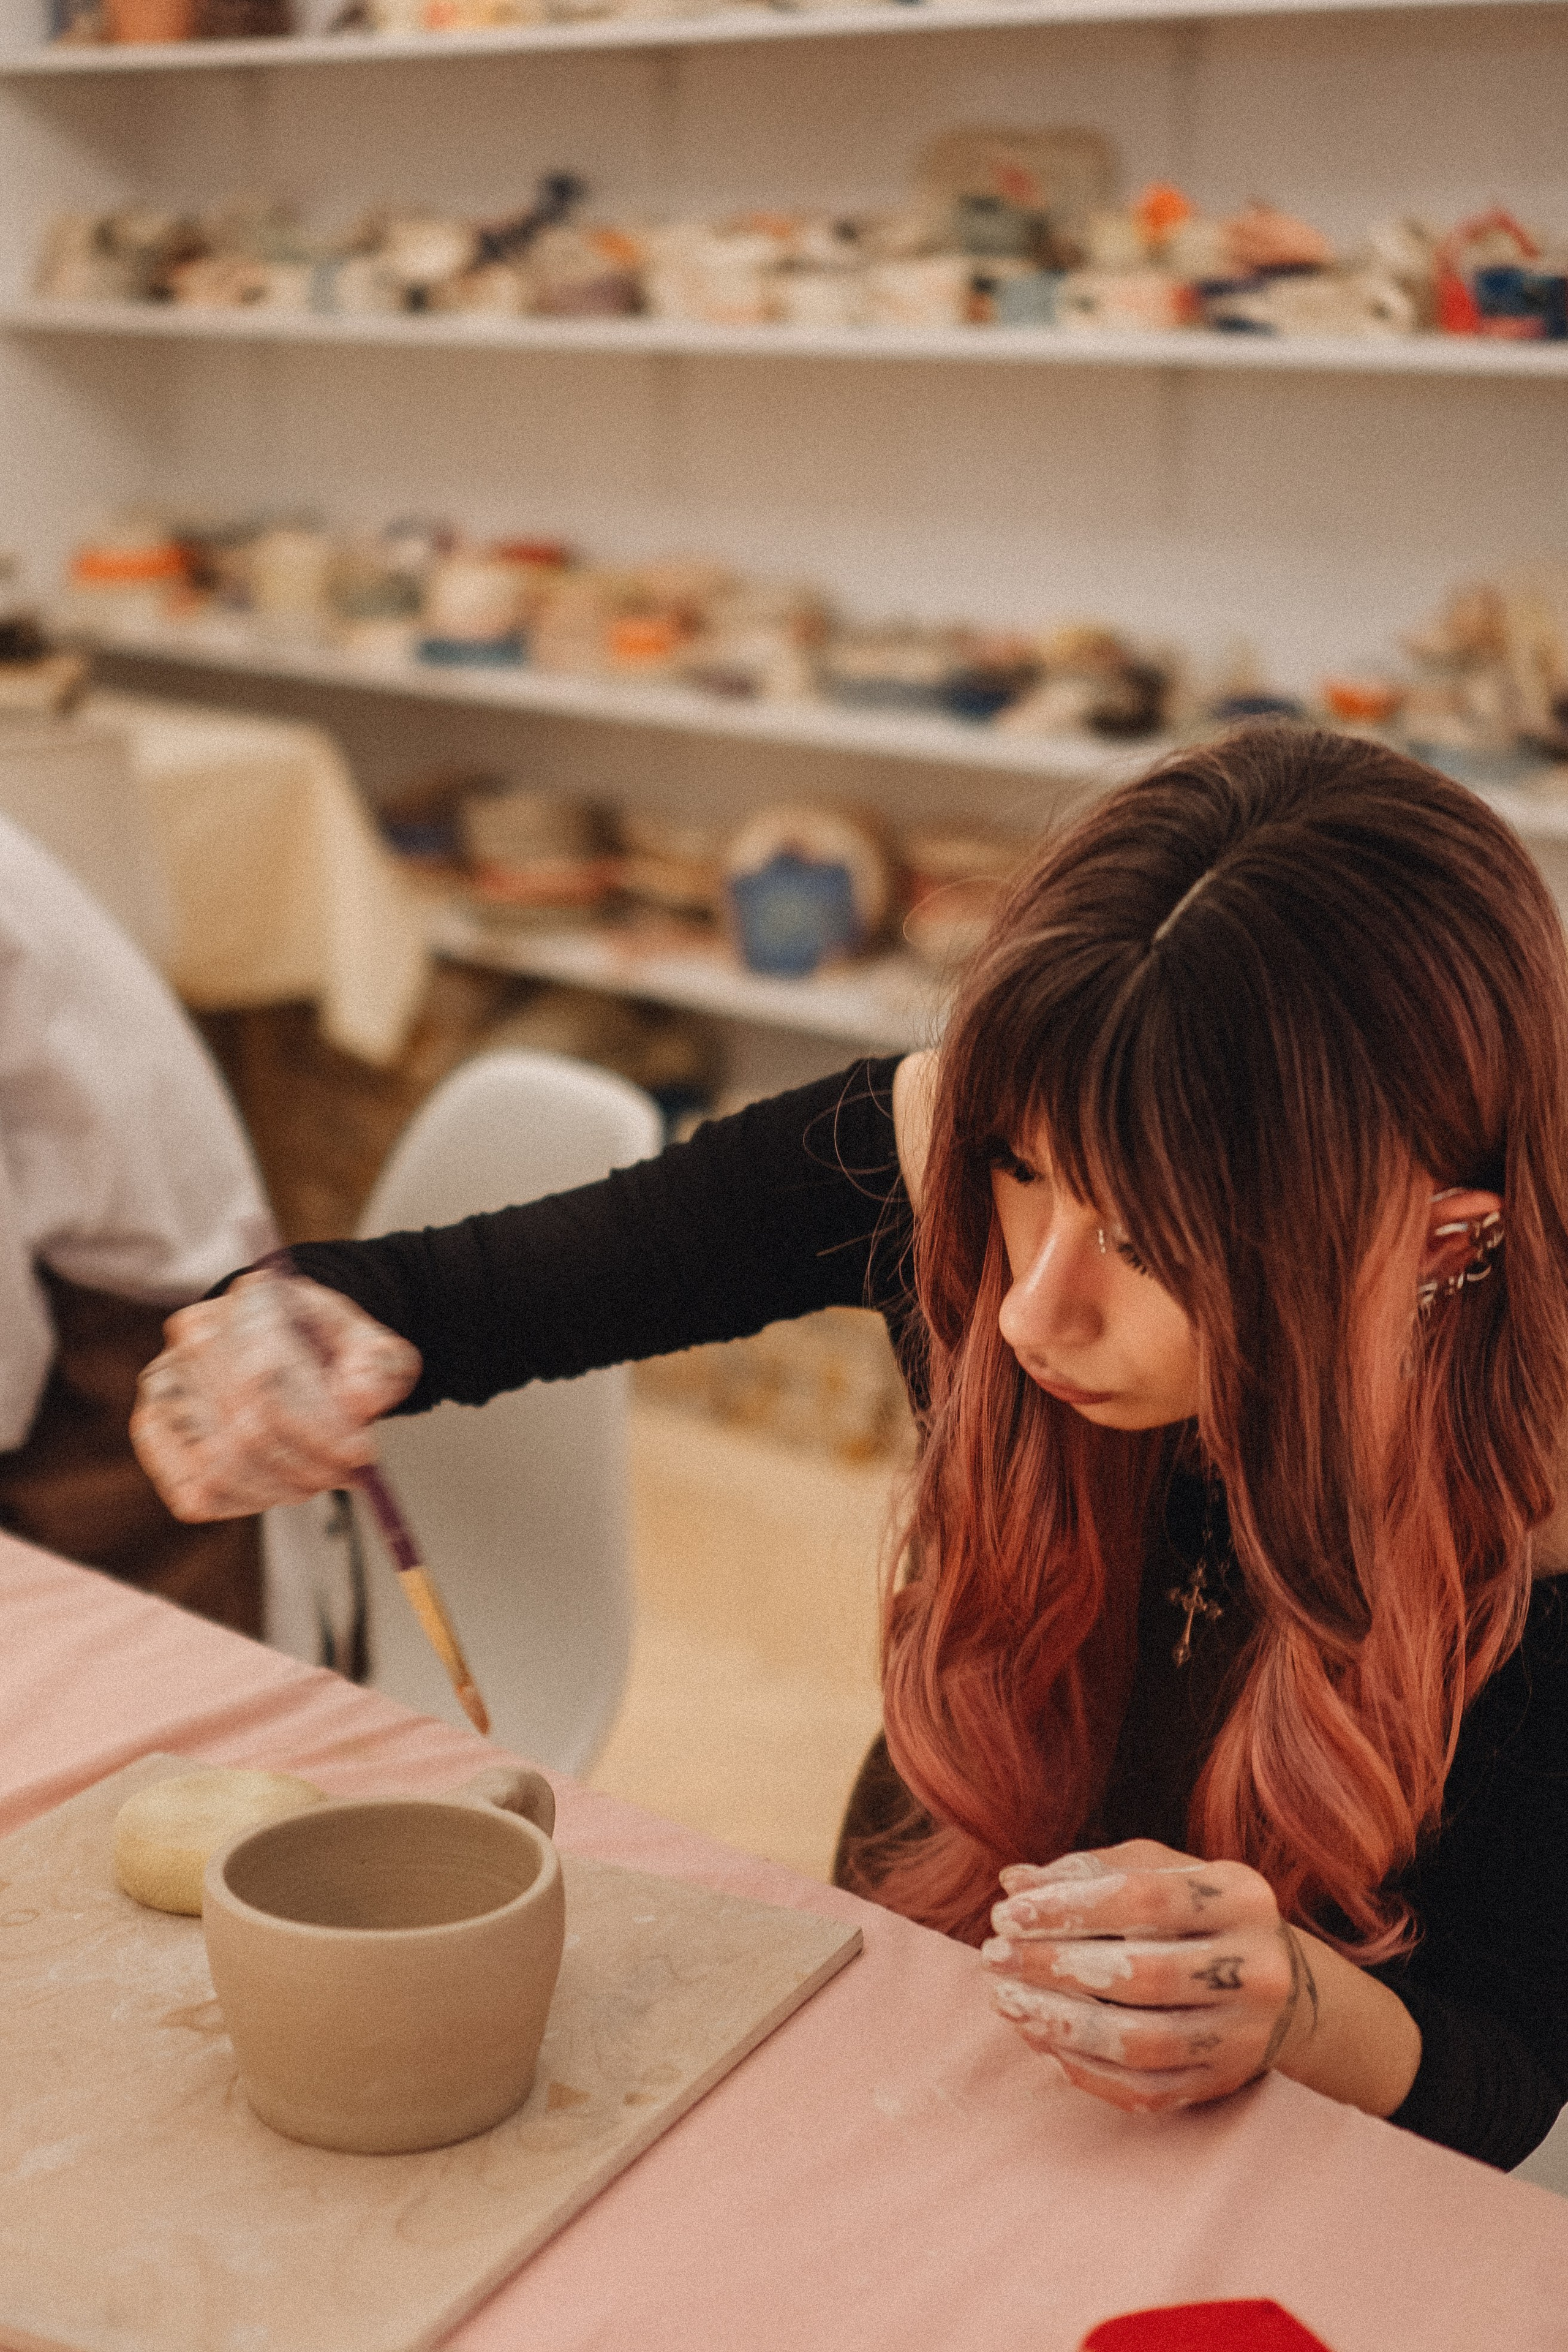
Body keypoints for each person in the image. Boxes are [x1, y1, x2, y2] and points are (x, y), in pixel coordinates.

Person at [130, 725, 1568, 2171]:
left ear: (1443, 1237)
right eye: (1022, 1170)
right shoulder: (931, 1145)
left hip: (1309, 2148)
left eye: (1151, 1240)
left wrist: (1291, 2005)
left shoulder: (1545, 1486)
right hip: (931, 1954)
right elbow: (461, 1297)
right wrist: (273, 1336)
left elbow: (1502, 2080)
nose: (1026, 1307)